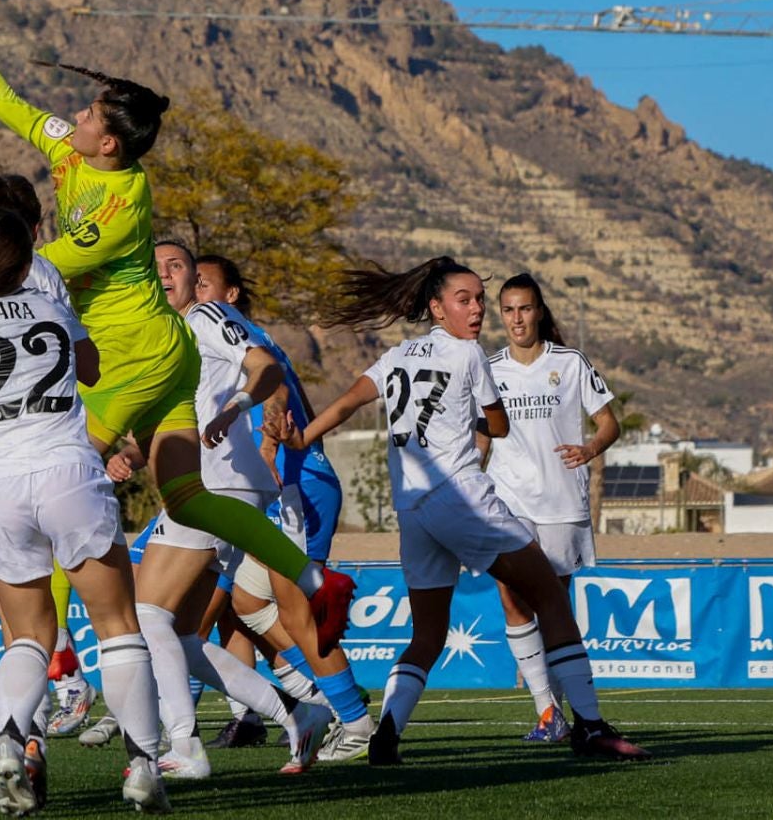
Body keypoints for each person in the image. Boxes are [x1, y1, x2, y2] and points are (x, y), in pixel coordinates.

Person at [0, 0, 355, 649]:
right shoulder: (77, 152)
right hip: (167, 354)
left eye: (85, 115)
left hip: (134, 354)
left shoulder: (118, 208)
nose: (72, 118)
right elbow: (3, 100)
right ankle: (315, 582)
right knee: (188, 498)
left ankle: (53, 663)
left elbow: (27, 261)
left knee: (59, 475)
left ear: (108, 143)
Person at [275, 257, 648, 765]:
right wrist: (486, 418)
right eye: (465, 300)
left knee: (427, 634)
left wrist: (301, 437)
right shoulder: (470, 355)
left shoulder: (397, 355)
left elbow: (344, 405)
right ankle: (589, 725)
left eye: (478, 300)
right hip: (461, 498)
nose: (476, 310)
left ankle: (385, 736)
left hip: (412, 512)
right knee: (550, 596)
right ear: (436, 306)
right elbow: (497, 425)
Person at [0, 207, 168, 815]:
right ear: (24, 261)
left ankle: (9, 739)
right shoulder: (52, 307)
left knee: (28, 636)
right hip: (67, 471)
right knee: (117, 626)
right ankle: (142, 766)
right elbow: (91, 369)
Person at [132, 240, 335, 778]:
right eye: (156, 268)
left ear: (196, 278)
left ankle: (184, 746)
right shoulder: (161, 332)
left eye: (177, 266)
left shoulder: (205, 315)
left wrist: (236, 408)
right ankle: (299, 714)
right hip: (209, 484)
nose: (166, 275)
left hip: (217, 485)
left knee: (147, 613)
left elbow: (266, 368)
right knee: (180, 634)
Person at [191, 255, 351, 751]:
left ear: (231, 294)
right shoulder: (206, 337)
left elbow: (276, 384)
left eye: (202, 282)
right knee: (234, 607)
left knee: (235, 607)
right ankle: (264, 711)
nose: (194, 290)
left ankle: (345, 713)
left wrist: (266, 445)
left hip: (294, 482)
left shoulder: (232, 329)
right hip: (265, 483)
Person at [483, 273, 621, 743]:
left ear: (539, 311)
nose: (516, 319)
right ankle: (547, 712)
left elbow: (609, 423)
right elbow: (482, 436)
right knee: (511, 594)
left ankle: (575, 712)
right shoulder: (490, 368)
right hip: (507, 497)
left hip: (560, 498)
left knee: (555, 604)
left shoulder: (570, 362)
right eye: (508, 310)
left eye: (524, 309)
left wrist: (589, 448)